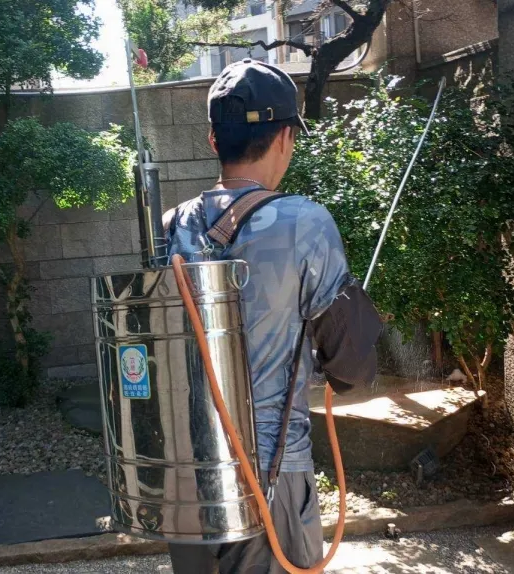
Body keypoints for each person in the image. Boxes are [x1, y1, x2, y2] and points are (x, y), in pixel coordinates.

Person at [164, 59, 383, 574]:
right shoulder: (304, 221)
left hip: (185, 476)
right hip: (271, 473)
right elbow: (352, 369)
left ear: (215, 139)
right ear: (285, 137)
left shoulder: (171, 225)